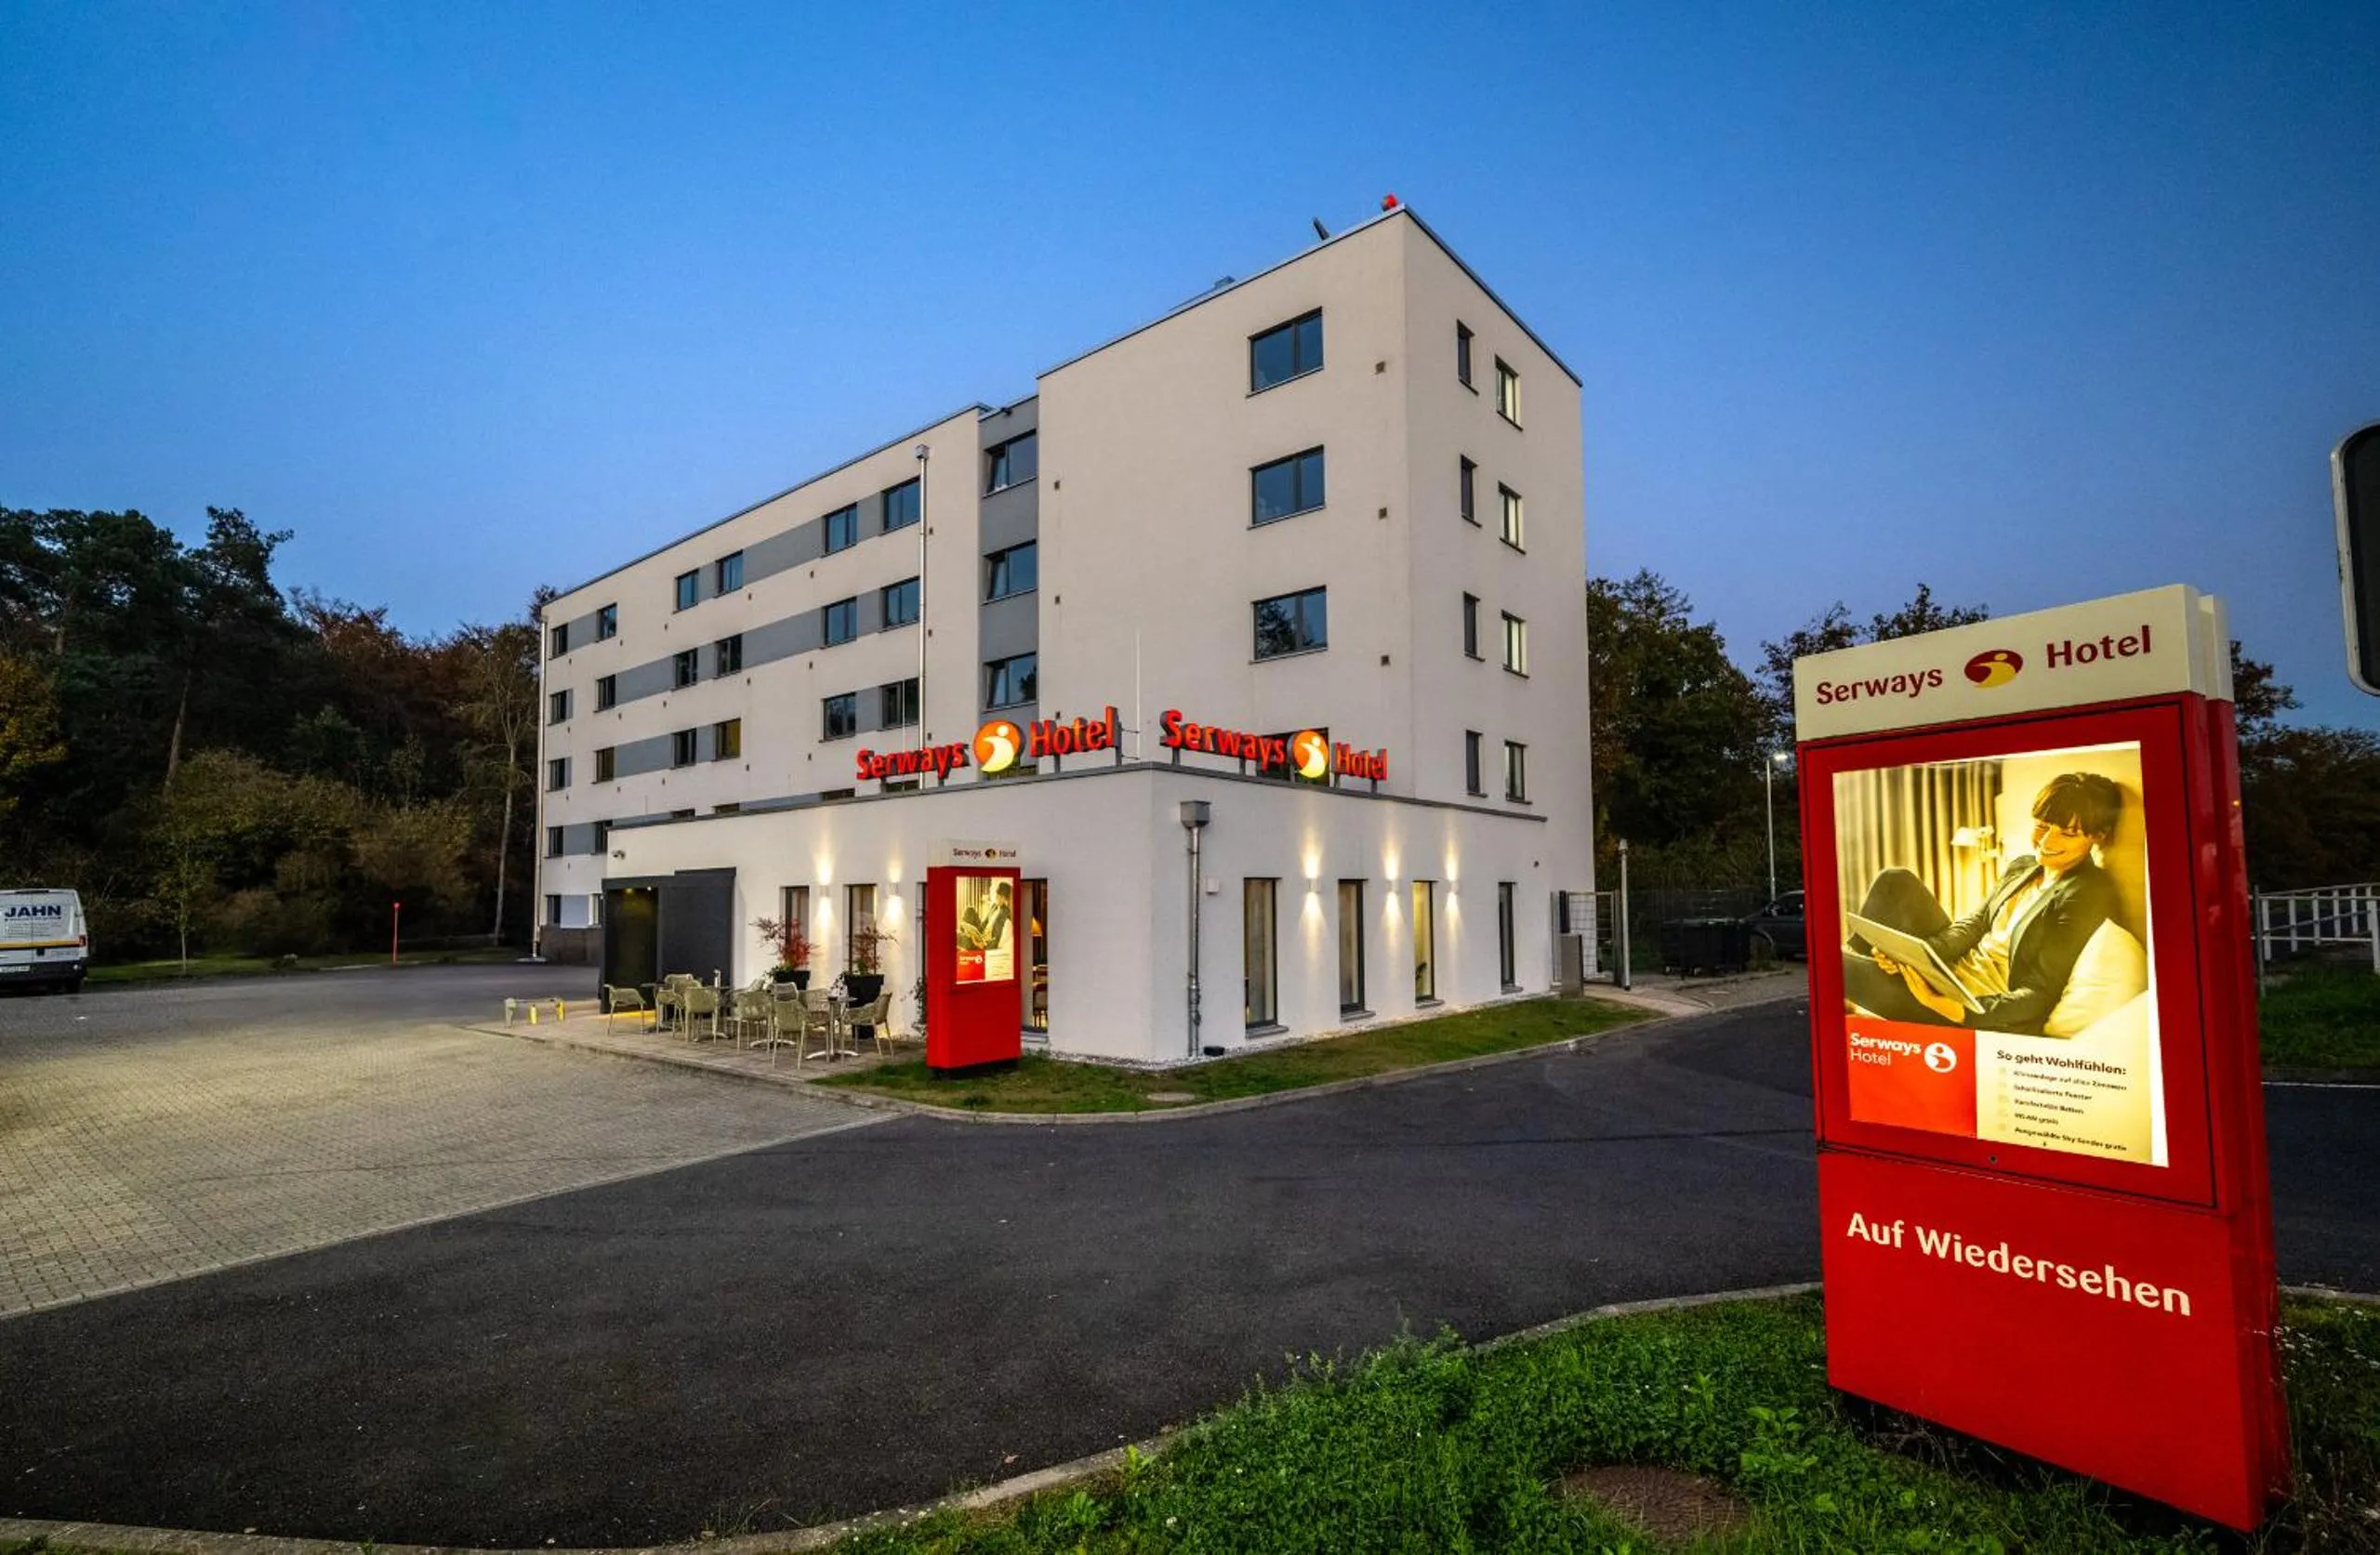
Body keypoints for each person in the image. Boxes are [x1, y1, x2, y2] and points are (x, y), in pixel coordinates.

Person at [1841, 772, 2122, 1036]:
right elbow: (1974, 925)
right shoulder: (2023, 867)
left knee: (1838, 966)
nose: (2047, 841)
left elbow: (2040, 992)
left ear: (2097, 835)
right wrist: (1921, 957)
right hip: (1949, 973)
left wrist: (1958, 1010)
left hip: (1974, 1002)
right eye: (2042, 826)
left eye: (2068, 833)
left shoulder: (2088, 894)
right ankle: (1872, 966)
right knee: (1895, 881)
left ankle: (1857, 991)